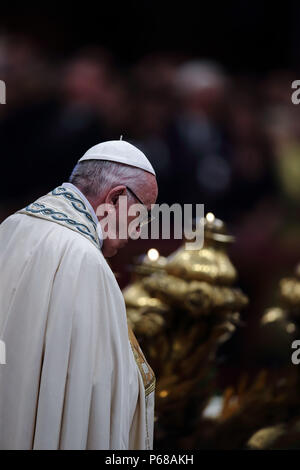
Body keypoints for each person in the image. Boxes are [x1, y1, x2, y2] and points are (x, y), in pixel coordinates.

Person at [0, 140, 158, 450]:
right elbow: (90, 399)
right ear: (115, 198)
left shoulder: (9, 228)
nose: (139, 230)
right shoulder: (86, 261)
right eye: (141, 215)